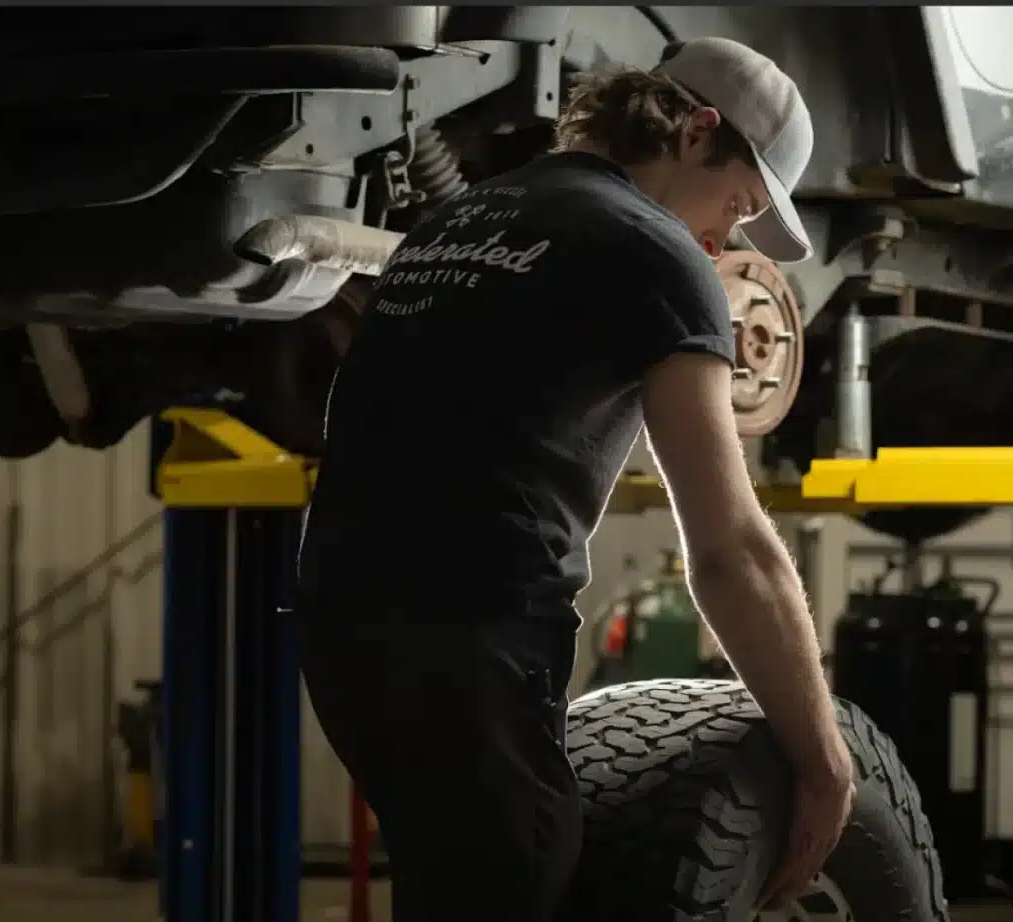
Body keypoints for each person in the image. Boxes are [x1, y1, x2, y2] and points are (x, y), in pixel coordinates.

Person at [297, 35, 854, 922]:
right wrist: (824, 758)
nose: (726, 237)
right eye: (740, 204)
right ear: (695, 131)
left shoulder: (459, 220)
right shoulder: (658, 253)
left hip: (343, 637)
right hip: (473, 642)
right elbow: (730, 549)